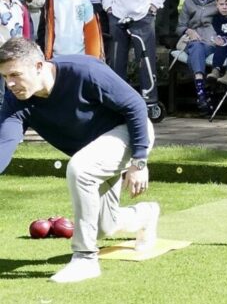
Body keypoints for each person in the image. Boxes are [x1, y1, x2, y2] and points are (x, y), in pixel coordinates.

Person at [0, 37, 159, 283]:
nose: (9, 84)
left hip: (129, 132)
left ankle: (85, 259)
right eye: (4, 77)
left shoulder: (84, 71)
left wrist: (139, 160)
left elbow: (135, 106)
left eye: (15, 75)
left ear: (39, 66)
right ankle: (146, 214)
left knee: (80, 168)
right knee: (105, 226)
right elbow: (4, 144)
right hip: (94, 152)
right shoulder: (16, 101)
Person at [176, 0, 218, 115]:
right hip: (193, 38)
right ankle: (202, 92)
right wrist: (188, 30)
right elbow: (180, 26)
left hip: (212, 38)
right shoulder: (189, 1)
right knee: (196, 47)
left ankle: (202, 91)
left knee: (199, 49)